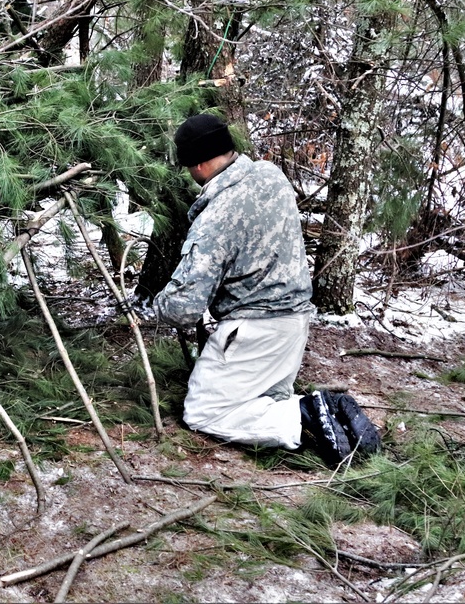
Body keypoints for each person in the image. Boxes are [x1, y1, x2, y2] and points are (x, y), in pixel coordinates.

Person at [152, 113, 381, 467]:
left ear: (197, 164)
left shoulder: (217, 216)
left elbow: (184, 307)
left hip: (254, 332)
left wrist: (158, 302)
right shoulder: (271, 176)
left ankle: (307, 413)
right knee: (263, 399)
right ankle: (313, 410)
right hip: (294, 327)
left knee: (203, 412)